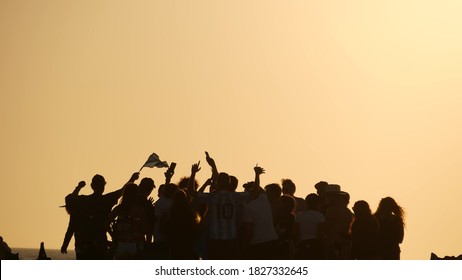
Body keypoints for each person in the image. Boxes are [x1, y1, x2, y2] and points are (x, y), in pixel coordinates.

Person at [67, 172, 139, 259]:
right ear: (103, 186)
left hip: (85, 243)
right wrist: (132, 179)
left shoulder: (84, 200)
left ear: (92, 186)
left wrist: (79, 187)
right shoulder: (107, 200)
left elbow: (71, 199)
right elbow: (122, 191)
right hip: (101, 242)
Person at [107, 183, 148, 259]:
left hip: (120, 243)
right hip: (136, 244)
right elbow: (145, 228)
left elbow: (106, 223)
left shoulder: (119, 209)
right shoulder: (139, 210)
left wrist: (113, 235)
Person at [161, 190, 200, 259]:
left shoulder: (169, 214)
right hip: (188, 246)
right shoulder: (191, 214)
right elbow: (196, 229)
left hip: (174, 246)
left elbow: (163, 229)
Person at [294, 193, 326, 259]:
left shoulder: (299, 216)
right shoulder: (320, 216)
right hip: (315, 244)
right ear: (317, 204)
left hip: (302, 243)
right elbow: (320, 233)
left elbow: (296, 232)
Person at [60, 180, 86, 255]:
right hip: (81, 245)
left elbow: (70, 231)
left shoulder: (77, 215)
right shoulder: (76, 213)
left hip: (82, 246)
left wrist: (79, 187)